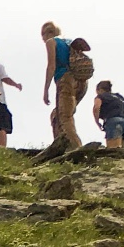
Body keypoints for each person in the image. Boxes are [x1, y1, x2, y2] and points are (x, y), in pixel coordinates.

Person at [39, 23, 93, 156]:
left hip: (65, 80)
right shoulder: (68, 42)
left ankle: (75, 149)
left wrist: (46, 90)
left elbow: (51, 66)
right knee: (56, 116)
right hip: (81, 82)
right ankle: (60, 145)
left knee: (64, 117)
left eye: (42, 35)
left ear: (47, 33)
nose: (42, 39)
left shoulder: (52, 42)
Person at [92, 79, 124, 146]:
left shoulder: (101, 96)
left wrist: (97, 122)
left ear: (100, 90)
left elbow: (96, 108)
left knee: (113, 151)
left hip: (113, 122)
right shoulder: (119, 97)